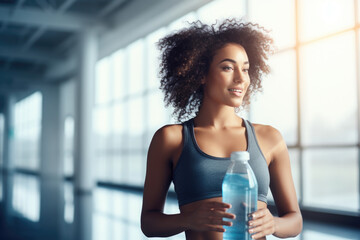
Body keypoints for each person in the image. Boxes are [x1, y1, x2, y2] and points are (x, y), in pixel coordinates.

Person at [141, 19, 302, 240]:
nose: (240, 78)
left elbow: (295, 221)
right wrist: (187, 219)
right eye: (227, 67)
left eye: (245, 69)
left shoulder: (269, 138)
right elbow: (149, 224)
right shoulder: (171, 139)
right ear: (201, 74)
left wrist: (273, 224)